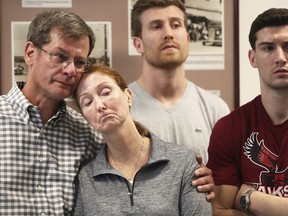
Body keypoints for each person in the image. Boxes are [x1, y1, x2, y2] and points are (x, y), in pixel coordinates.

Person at [0, 9, 104, 215]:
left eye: (79, 62)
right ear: (30, 53)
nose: (70, 70)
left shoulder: (88, 135)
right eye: (59, 56)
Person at [72, 64, 212, 215]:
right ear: (85, 117)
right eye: (87, 102)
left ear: (128, 97)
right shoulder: (86, 178)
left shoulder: (183, 163)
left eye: (105, 92)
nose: (99, 105)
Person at [128, 0, 230, 200]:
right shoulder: (122, 107)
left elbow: (226, 191)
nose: (168, 33)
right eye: (156, 26)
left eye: (176, 25)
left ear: (188, 37)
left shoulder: (215, 109)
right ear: (137, 43)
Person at [207, 8, 288, 216]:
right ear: (253, 58)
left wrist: (249, 197)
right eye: (268, 48)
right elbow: (219, 210)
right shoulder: (229, 128)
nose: (280, 57)